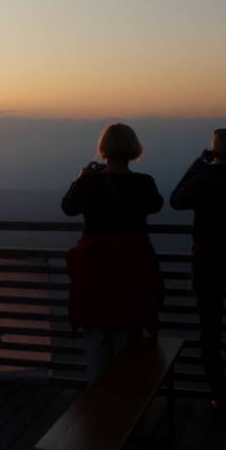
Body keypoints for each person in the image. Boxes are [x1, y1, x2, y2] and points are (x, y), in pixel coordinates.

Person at [62, 123, 164, 381]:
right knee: (127, 338)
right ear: (133, 149)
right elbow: (157, 205)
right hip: (131, 267)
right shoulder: (145, 183)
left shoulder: (90, 183)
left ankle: (97, 411)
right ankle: (125, 406)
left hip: (94, 267)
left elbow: (68, 207)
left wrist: (82, 177)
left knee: (96, 340)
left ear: (104, 149)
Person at [170, 128, 226, 406]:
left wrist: (197, 164)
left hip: (208, 261)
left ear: (214, 151)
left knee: (210, 328)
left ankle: (218, 394)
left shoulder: (205, 179)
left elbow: (176, 199)